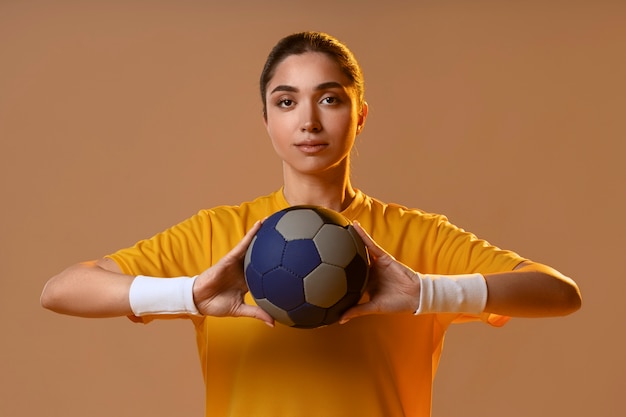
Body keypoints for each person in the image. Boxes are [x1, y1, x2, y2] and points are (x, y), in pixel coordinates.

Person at [41, 31, 582, 417]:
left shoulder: (418, 238)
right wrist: (189, 294)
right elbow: (62, 289)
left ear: (361, 114)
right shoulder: (219, 235)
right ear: (267, 120)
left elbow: (559, 293)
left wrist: (425, 292)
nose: (309, 121)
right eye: (286, 101)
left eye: (330, 98)